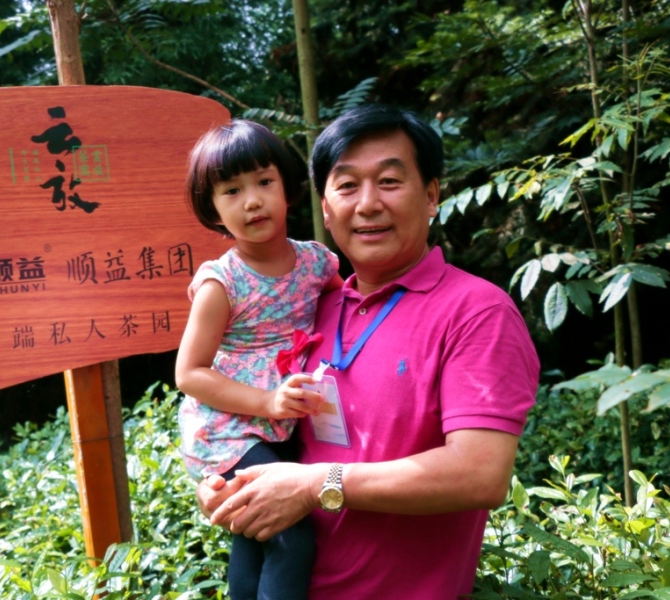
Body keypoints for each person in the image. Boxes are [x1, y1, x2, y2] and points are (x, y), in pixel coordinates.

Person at [199, 104, 541, 599]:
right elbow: (268, 431)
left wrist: (315, 485)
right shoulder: (311, 307)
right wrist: (229, 485)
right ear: (325, 208)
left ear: (431, 195)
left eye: (389, 181)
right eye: (346, 185)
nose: (367, 204)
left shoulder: (476, 312)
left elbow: (480, 474)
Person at [174, 119, 342, 599]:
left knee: (256, 534)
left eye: (264, 182)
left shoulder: (316, 263)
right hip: (227, 429)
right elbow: (189, 373)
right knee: (290, 536)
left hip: (281, 423)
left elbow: (347, 312)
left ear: (287, 188)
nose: (252, 201)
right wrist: (267, 402)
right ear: (212, 208)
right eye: (232, 191)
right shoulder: (222, 283)